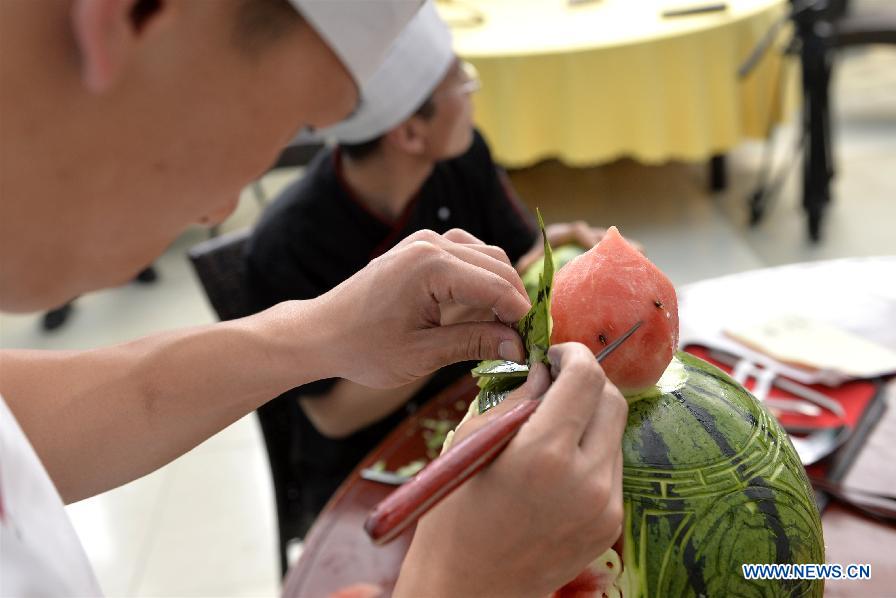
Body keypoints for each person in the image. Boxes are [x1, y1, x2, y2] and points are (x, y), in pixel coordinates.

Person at [0, 2, 627, 597]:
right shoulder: (293, 236)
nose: (217, 210)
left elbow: (79, 412)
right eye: (281, 120)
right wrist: (459, 580)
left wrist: (318, 334)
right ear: (135, 14)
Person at [247, 1, 613, 531]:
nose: (472, 94)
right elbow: (332, 415)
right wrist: (454, 328)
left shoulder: (462, 160)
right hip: (366, 470)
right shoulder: (288, 242)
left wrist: (566, 261)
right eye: (460, 83)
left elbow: (516, 260)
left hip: (474, 407)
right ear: (411, 133)